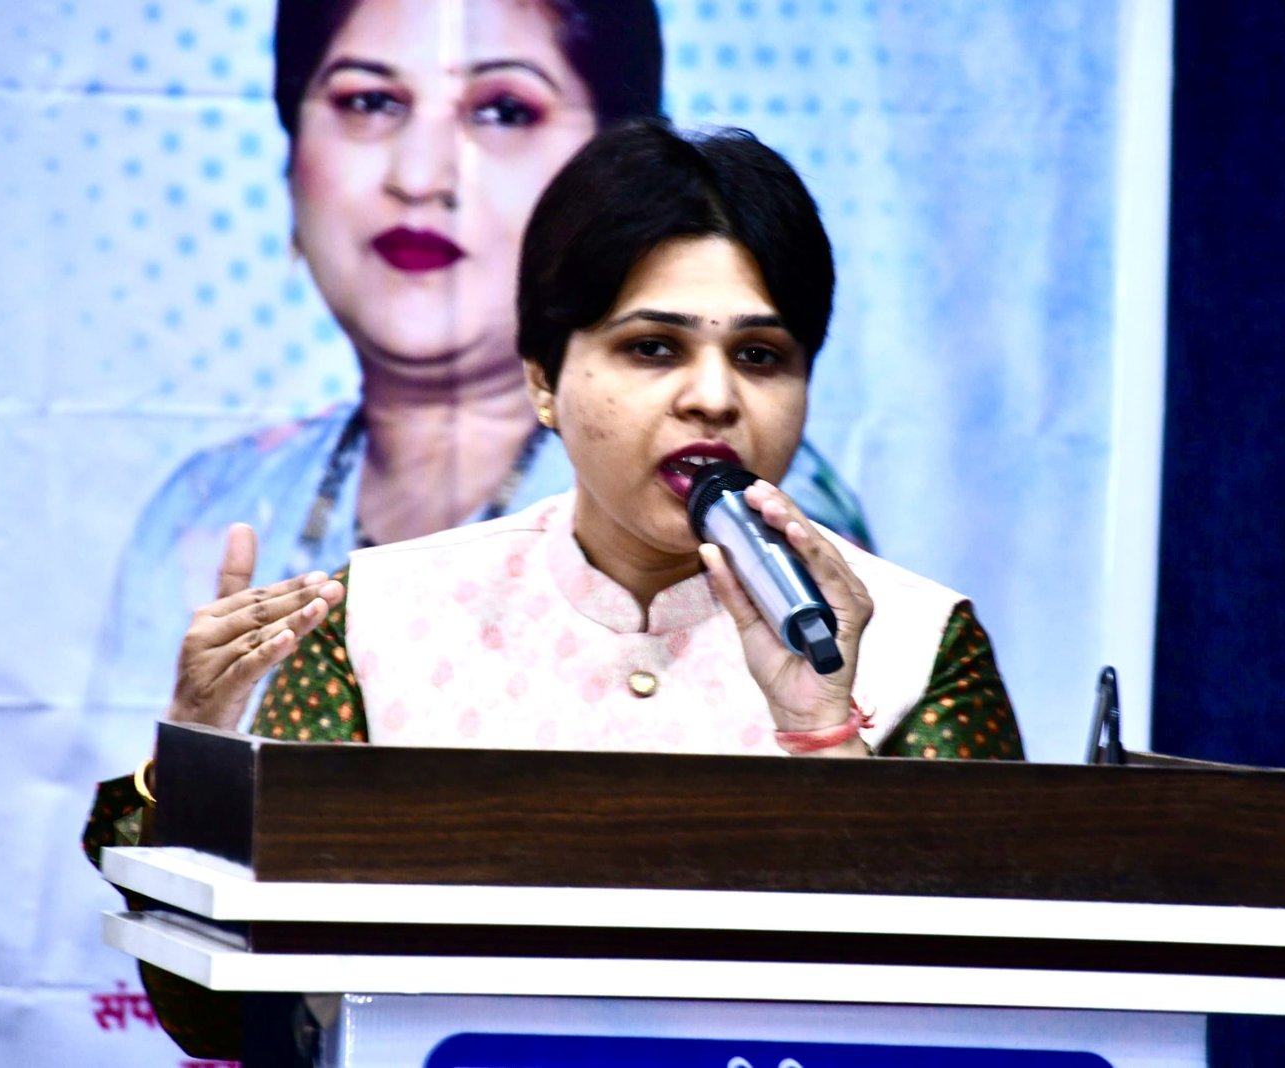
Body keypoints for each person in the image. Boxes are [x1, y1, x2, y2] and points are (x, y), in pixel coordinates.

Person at [86, 119, 1022, 1060]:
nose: (713, 397)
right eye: (653, 348)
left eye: (760, 356)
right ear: (543, 378)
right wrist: (194, 757)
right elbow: (218, 1019)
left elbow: (991, 1014)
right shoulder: (378, 618)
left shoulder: (917, 639)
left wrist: (823, 732)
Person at [89, 0, 871, 730]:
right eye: (370, 101)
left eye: (503, 110)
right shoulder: (212, 511)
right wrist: (201, 741)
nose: (421, 176)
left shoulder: (815, 576)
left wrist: (823, 732)